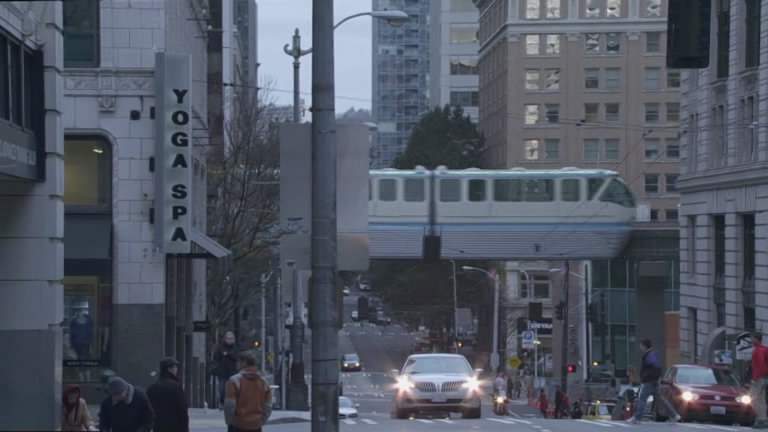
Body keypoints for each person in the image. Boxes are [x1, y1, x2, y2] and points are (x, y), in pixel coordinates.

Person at [627, 339, 679, 424]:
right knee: (661, 399)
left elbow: (655, 367)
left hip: (649, 381)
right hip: (653, 380)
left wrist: (646, 377)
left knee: (642, 399)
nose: (640, 347)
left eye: (641, 345)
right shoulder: (651, 354)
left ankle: (637, 418)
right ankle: (674, 415)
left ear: (644, 346)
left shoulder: (650, 355)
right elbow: (656, 367)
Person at [224, 351, 272, 432]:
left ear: (244, 363)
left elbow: (230, 405)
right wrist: (261, 421)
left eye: (238, 362)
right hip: (256, 425)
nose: (237, 364)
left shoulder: (234, 381)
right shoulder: (264, 382)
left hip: (238, 424)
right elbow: (268, 406)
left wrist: (229, 421)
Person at [147, 357, 189, 432]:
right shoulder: (176, 386)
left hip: (158, 427)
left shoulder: (152, 387)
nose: (177, 369)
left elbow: (148, 409)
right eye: (175, 367)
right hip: (175, 427)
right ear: (169, 369)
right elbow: (182, 409)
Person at [214, 331, 240, 406]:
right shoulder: (220, 347)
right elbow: (216, 357)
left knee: (232, 389)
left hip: (233, 372)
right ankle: (222, 402)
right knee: (222, 389)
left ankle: (232, 403)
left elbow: (237, 357)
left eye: (231, 338)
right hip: (222, 372)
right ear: (225, 339)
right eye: (228, 338)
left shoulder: (236, 347)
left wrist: (228, 354)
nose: (229, 340)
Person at [750, 332, 768, 429]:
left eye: (752, 338)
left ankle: (761, 419)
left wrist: (755, 378)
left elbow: (760, 365)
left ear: (756, 339)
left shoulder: (758, 350)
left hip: (759, 378)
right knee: (761, 399)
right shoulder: (765, 349)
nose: (751, 340)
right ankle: (763, 419)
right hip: (764, 378)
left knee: (753, 399)